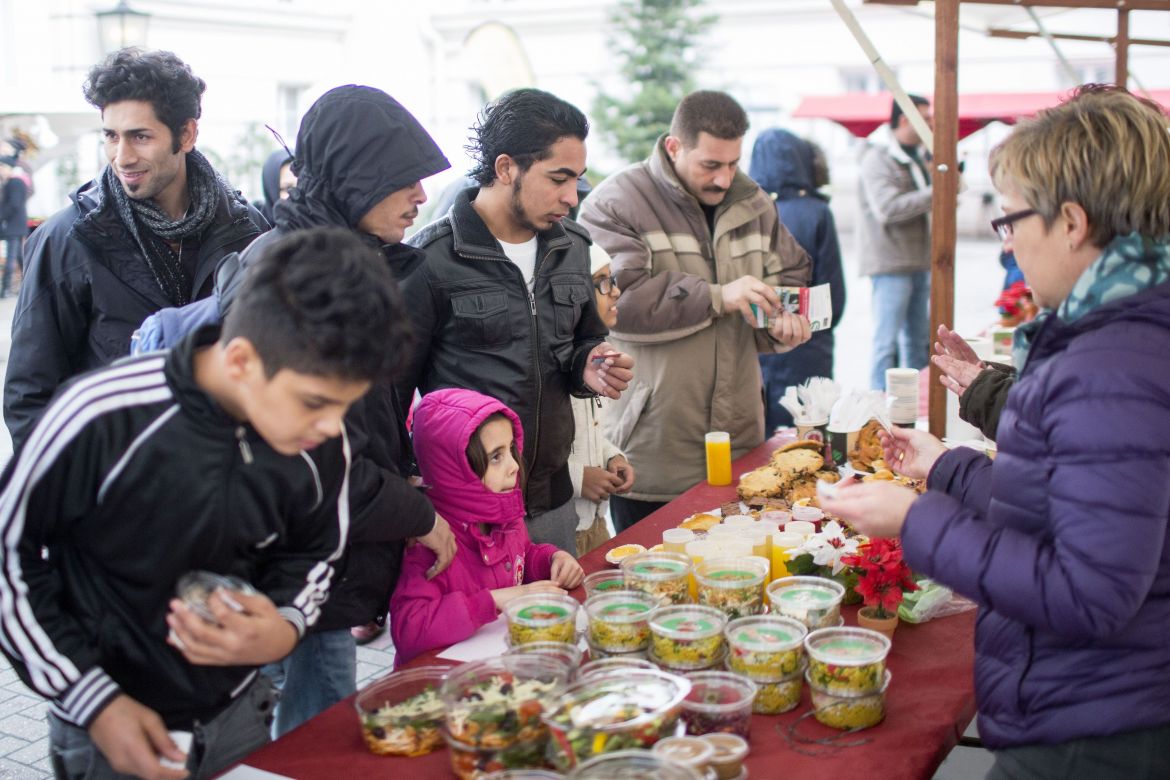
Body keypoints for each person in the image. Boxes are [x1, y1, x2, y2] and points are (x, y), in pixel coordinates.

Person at [822, 85, 1170, 779]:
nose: (1006, 241)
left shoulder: (1113, 362)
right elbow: (1065, 497)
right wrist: (947, 468)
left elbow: (1089, 592)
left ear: (1071, 222)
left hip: (1094, 724)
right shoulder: (1116, 334)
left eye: (1011, 220)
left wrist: (916, 520)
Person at [0, 226, 408, 780]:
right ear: (240, 361)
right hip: (111, 726)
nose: (332, 427)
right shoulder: (101, 414)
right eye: (315, 402)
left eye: (345, 405)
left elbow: (316, 552)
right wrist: (92, 699)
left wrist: (285, 625)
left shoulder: (319, 439)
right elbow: (9, 556)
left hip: (239, 715)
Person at [135, 84, 459, 736]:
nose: (421, 197)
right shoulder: (292, 274)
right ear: (356, 176)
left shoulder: (342, 258)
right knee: (309, 743)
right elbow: (306, 447)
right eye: (405, 180)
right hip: (287, 571)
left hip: (320, 567)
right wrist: (412, 512)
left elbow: (355, 422)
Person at [402, 88, 634, 554]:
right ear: (506, 168)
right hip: (467, 513)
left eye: (578, 180)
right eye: (558, 178)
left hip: (554, 503)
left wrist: (590, 366)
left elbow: (584, 341)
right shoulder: (430, 261)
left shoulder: (575, 247)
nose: (572, 197)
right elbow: (393, 395)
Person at [3, 48, 265, 450]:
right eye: (111, 136)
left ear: (187, 134)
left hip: (223, 489)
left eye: (140, 137)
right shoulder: (67, 238)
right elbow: (30, 399)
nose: (122, 157)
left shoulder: (247, 231)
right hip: (114, 494)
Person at [578, 90, 811, 530]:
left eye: (733, 164)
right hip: (654, 450)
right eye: (710, 164)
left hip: (740, 442)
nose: (724, 179)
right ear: (673, 146)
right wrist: (720, 296)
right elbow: (618, 303)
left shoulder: (756, 203)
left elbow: (791, 276)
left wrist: (782, 325)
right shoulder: (616, 203)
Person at [390, 388, 584, 665]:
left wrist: (551, 560)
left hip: (502, 667)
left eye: (511, 451)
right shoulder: (430, 542)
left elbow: (523, 556)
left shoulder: (505, 515)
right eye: (496, 457)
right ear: (455, 472)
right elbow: (409, 630)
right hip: (444, 682)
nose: (514, 466)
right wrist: (493, 601)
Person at [748, 128, 846, 432]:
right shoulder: (817, 212)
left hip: (757, 348)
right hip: (810, 344)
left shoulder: (746, 213)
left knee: (762, 442)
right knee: (809, 438)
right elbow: (834, 296)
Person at [858, 94, 934, 391]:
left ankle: (918, 408)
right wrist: (936, 190)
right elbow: (887, 209)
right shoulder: (877, 157)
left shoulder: (919, 155)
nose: (931, 125)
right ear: (904, 120)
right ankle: (876, 413)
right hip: (890, 263)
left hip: (919, 260)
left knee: (918, 342)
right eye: (926, 119)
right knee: (886, 342)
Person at [568, 244, 636, 555]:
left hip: (597, 524)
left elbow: (594, 430)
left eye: (614, 280)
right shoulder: (553, 361)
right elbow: (525, 448)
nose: (616, 292)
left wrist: (613, 457)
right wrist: (578, 478)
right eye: (603, 282)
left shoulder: (598, 353)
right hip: (561, 536)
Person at [0, 153, 30, 297]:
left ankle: (5, 288)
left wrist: (2, 216)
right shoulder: (15, 181)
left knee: (12, 256)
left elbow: (14, 204)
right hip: (17, 224)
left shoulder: (14, 182)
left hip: (13, 224)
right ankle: (29, 284)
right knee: (18, 256)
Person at [253, 148, 296, 227]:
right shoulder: (255, 232)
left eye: (302, 185)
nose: (297, 194)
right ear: (271, 191)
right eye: (288, 188)